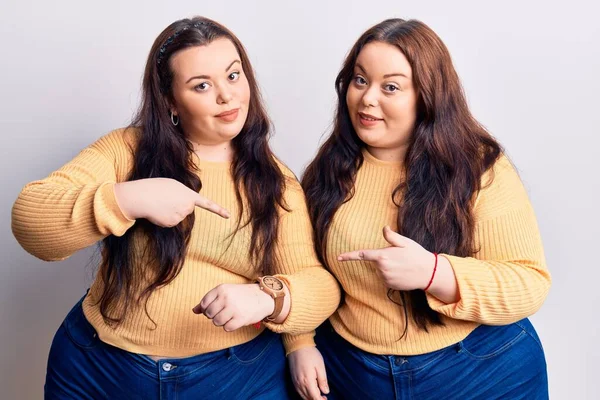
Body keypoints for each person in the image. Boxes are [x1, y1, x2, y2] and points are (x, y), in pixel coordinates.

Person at [12, 16, 340, 400]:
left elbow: (320, 284)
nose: (226, 96)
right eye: (201, 85)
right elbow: (31, 222)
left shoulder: (274, 180)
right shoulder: (126, 150)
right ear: (170, 100)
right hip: (100, 370)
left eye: (233, 76)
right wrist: (131, 198)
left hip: (233, 377)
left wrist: (270, 300)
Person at [291, 18, 551, 399]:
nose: (367, 98)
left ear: (428, 96)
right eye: (360, 80)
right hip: (353, 372)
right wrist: (299, 343)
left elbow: (530, 283)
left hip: (481, 369)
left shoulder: (478, 167)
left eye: (390, 87)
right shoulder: (328, 169)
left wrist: (434, 272)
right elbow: (298, 266)